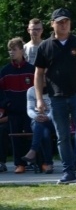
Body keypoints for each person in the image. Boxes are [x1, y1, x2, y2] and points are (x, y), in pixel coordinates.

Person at [33, 8, 76, 184]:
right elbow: (38, 74)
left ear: (70, 23)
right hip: (56, 97)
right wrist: (39, 98)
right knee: (62, 136)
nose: (64, 25)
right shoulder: (45, 46)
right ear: (52, 24)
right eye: (60, 22)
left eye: (66, 22)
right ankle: (68, 172)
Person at [0, 37, 35, 173]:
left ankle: (36, 162)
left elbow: (38, 88)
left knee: (31, 134)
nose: (11, 52)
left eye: (14, 49)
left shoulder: (31, 69)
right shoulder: (5, 71)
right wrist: (7, 104)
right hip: (13, 111)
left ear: (22, 50)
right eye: (10, 50)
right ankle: (19, 164)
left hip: (30, 109)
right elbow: (1, 92)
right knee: (15, 137)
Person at [24, 85, 55, 173]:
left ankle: (33, 150)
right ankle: (49, 164)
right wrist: (36, 117)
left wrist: (48, 117)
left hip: (52, 120)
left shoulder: (53, 89)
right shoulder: (31, 91)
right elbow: (29, 109)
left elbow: (55, 108)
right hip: (37, 119)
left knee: (42, 128)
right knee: (45, 134)